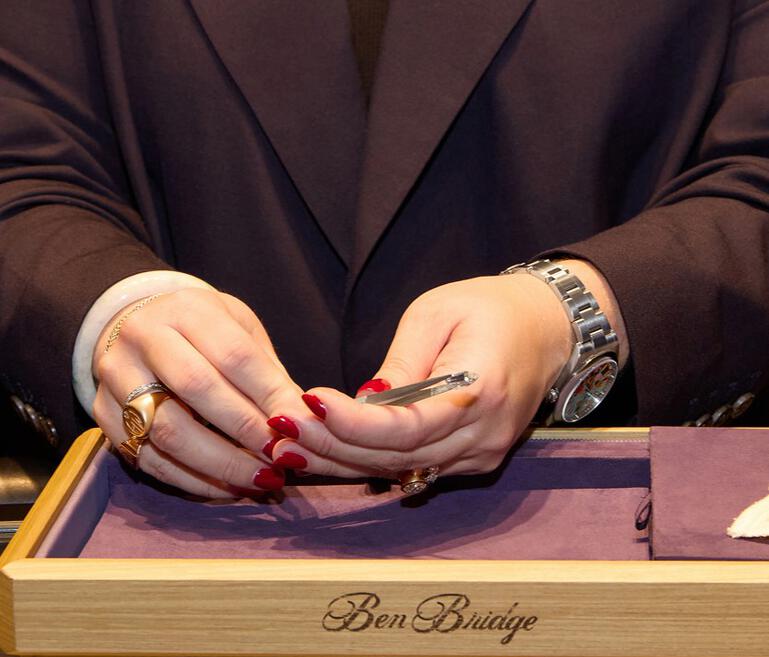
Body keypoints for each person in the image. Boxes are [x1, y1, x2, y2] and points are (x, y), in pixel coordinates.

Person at [1, 1, 767, 498]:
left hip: (620, 574)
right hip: (141, 584)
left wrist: (571, 314)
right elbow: (18, 163)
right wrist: (111, 308)